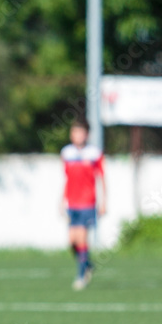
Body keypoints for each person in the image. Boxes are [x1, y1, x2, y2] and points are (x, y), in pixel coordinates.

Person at [61, 118, 106, 290]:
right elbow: (65, 179)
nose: (77, 135)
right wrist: (61, 200)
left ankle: (81, 276)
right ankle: (87, 264)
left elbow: (102, 178)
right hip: (72, 203)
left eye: (80, 132)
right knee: (71, 242)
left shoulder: (94, 153)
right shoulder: (67, 153)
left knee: (81, 238)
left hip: (88, 202)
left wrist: (103, 202)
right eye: (74, 132)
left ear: (86, 134)